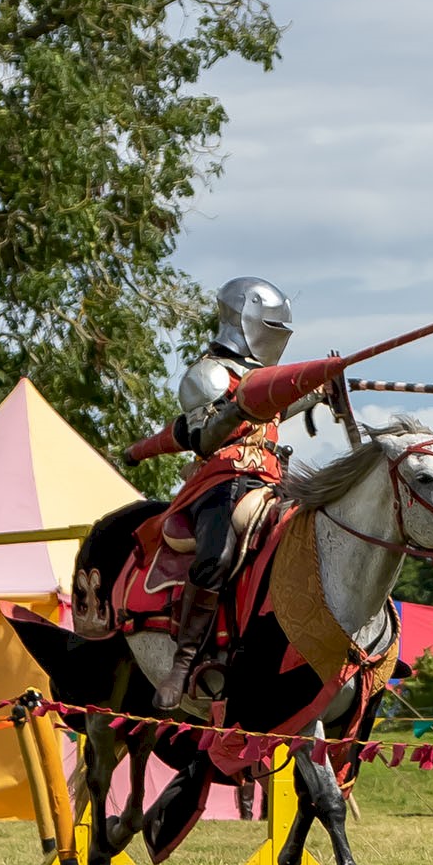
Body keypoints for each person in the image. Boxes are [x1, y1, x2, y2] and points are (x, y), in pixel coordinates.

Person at [140, 276, 324, 711]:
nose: (277, 333)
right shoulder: (207, 374)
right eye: (271, 322)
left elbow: (275, 408)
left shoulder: (261, 377)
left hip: (274, 481)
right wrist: (243, 405)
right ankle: (182, 665)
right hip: (221, 481)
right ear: (245, 318)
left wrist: (317, 389)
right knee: (217, 555)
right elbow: (204, 438)